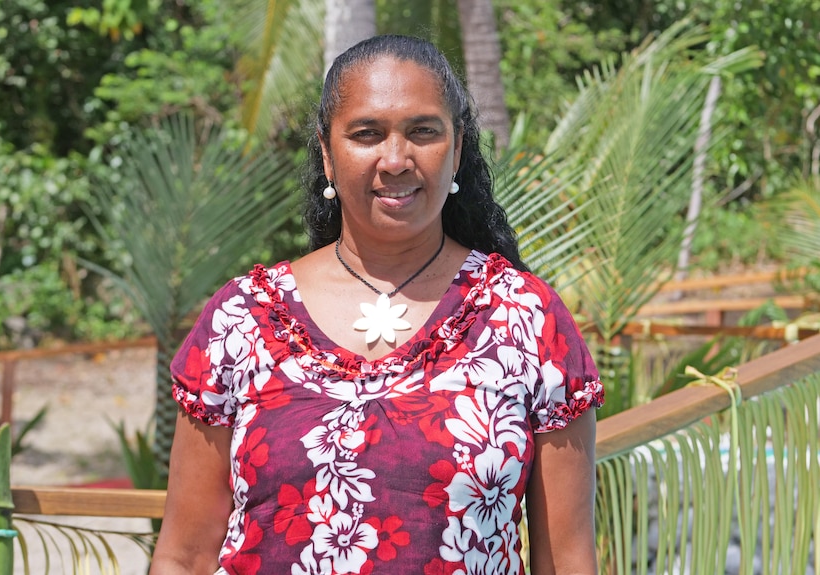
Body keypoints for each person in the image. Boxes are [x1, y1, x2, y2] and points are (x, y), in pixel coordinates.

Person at [150, 34, 604, 575]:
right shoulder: (239, 321)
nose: (395, 159)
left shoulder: (527, 321)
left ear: (457, 148)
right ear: (327, 152)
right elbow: (184, 556)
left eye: (423, 132)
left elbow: (568, 560)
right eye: (367, 134)